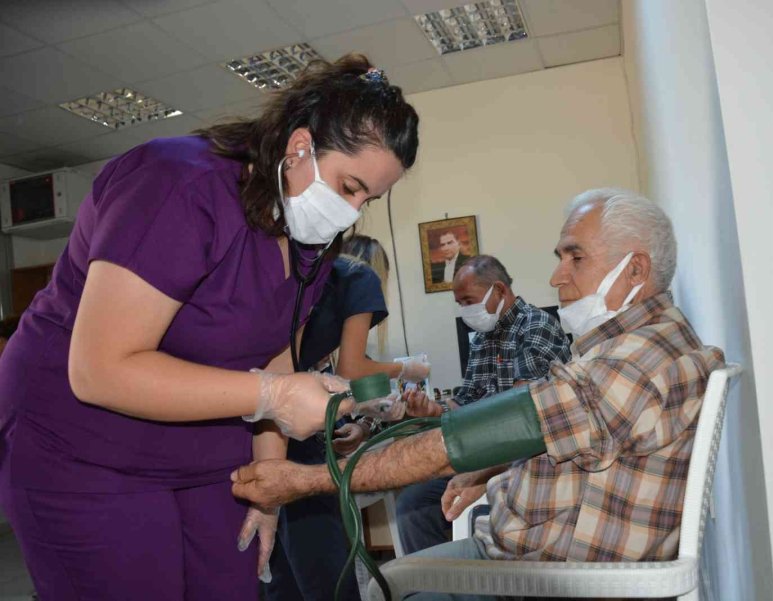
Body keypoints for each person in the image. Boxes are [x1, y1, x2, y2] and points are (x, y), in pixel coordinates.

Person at [0, 54, 419, 601]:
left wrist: (269, 483)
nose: (351, 211)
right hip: (84, 443)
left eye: (369, 198)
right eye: (348, 186)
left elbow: (276, 355)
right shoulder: (178, 184)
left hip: (207, 448)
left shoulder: (309, 240)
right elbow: (100, 369)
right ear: (299, 147)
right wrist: (273, 395)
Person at [232, 189, 726, 601]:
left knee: (388, 585)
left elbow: (477, 435)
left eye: (576, 257)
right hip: (531, 544)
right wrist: (484, 470)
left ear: (636, 270)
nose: (557, 276)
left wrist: (307, 479)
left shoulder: (631, 365)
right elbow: (537, 426)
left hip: (548, 575)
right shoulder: (638, 342)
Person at [265, 234, 430, 601]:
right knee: (323, 560)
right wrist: (405, 368)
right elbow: (354, 373)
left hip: (266, 424)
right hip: (295, 432)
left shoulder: (305, 283)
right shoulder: (358, 282)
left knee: (283, 566)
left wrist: (366, 420)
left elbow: (350, 393)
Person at [396, 255, 570, 554]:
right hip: (481, 454)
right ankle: (438, 585)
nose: (465, 310)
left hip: (522, 459)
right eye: (460, 303)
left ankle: (460, 579)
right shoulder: (482, 340)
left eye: (468, 300)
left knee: (421, 503)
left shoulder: (536, 326)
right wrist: (432, 410)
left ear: (499, 290)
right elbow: (466, 401)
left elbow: (521, 414)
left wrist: (476, 468)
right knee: (413, 504)